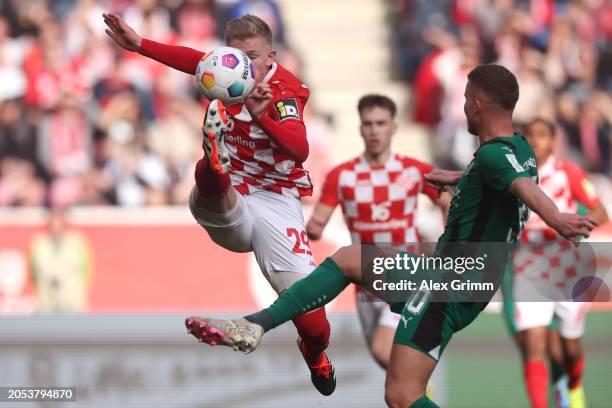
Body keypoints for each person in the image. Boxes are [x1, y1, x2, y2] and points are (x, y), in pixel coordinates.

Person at [184, 64, 598, 408]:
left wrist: (556, 216)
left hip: (448, 285)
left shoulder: (492, 157)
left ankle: (256, 325)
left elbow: (521, 188)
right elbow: (510, 176)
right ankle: (255, 325)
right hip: (461, 276)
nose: (463, 105)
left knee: (402, 395)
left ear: (477, 103)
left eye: (466, 98)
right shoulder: (520, 149)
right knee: (349, 258)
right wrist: (460, 178)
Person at [102, 12, 335, 395]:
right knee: (210, 173)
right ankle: (214, 162)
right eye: (238, 57)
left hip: (276, 199)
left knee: (316, 326)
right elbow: (192, 60)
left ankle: (315, 354)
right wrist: (140, 44)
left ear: (272, 56)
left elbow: (299, 149)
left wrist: (262, 117)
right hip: (231, 196)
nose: (246, 67)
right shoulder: (226, 70)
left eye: (255, 58)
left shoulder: (283, 91)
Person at [306, 93, 449, 369]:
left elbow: (447, 201)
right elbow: (316, 227)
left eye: (381, 123)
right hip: (365, 283)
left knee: (387, 352)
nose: (374, 130)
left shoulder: (414, 170)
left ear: (394, 127)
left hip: (405, 274)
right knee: (384, 359)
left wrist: (446, 248)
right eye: (368, 123)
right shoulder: (341, 175)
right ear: (360, 128)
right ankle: (418, 395)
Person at [503, 118, 608, 408]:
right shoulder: (512, 176)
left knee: (569, 348)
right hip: (529, 269)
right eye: (529, 136)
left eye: (541, 135)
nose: (535, 141)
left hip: (569, 268)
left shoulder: (568, 173)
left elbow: (601, 213)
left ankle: (574, 386)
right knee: (534, 345)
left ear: (553, 141)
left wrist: (573, 226)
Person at [29, 207, 93, 313]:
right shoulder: (39, 244)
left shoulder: (77, 242)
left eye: (58, 223)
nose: (55, 227)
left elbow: (86, 272)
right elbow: (33, 274)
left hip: (72, 303)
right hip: (46, 304)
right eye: (52, 223)